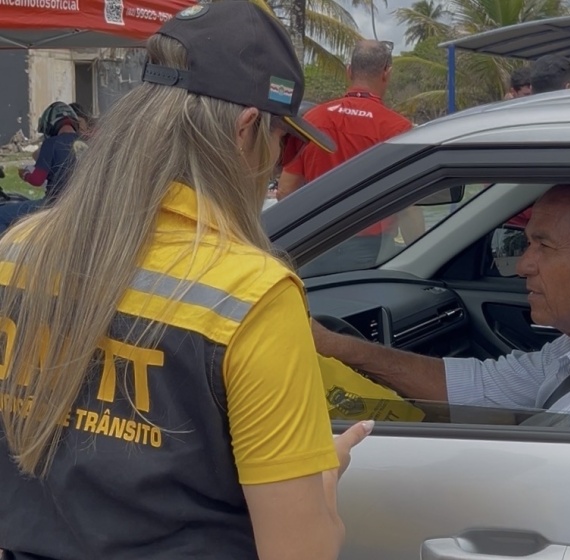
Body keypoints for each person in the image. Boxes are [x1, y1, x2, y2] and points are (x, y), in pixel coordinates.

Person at [0, 2, 371, 559]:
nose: (277, 163)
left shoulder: (19, 250)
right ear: (247, 129)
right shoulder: (252, 295)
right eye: (283, 143)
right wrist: (323, 487)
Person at [312, 185, 570, 420]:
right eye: (526, 243)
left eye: (543, 247)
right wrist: (337, 346)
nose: (522, 266)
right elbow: (482, 386)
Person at [277, 39, 424, 273]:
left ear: (348, 71)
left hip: (313, 244)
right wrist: (423, 261)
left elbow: (285, 190)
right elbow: (407, 207)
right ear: (387, 73)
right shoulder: (397, 128)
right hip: (371, 250)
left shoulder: (313, 120)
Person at [0, 102, 84, 232]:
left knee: (2, 214)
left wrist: (25, 175)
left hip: (54, 204)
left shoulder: (51, 143)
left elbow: (37, 179)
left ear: (50, 125)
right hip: (83, 204)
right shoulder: (89, 143)